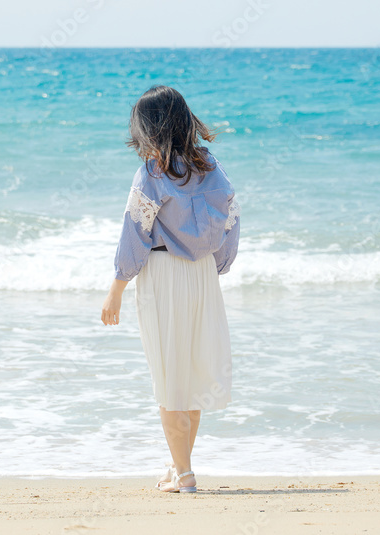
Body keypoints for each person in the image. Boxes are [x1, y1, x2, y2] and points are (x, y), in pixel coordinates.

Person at [101, 84, 240, 494]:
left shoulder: (152, 172)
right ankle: (179, 464)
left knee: (168, 375)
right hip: (201, 275)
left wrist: (116, 288)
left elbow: (135, 233)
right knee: (191, 374)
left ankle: (185, 475)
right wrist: (216, 265)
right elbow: (232, 221)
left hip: (162, 274)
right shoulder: (212, 167)